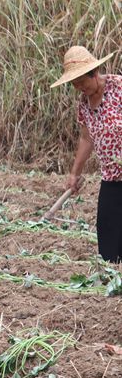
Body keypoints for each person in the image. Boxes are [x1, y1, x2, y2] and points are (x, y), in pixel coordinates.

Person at [52, 46, 117, 261]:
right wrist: (74, 173)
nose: (80, 88)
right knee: (107, 234)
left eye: (82, 82)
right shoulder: (84, 105)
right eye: (75, 84)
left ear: (94, 73)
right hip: (111, 176)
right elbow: (86, 138)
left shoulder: (118, 88)